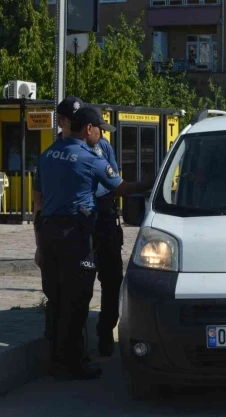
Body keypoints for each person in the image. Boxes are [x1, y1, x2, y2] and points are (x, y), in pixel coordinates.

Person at [33, 106, 152, 379]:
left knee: (56, 297)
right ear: (88, 128)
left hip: (50, 232)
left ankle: (55, 359)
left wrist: (38, 245)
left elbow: (37, 198)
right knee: (78, 299)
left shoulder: (48, 154)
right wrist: (150, 183)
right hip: (76, 233)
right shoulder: (87, 157)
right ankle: (75, 362)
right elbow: (120, 187)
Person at [49, 96, 123, 357]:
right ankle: (74, 346)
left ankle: (105, 332)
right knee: (80, 283)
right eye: (69, 119)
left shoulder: (103, 145)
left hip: (103, 214)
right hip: (76, 222)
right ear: (62, 122)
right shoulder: (57, 150)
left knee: (112, 278)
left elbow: (115, 179)